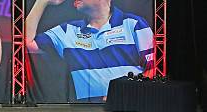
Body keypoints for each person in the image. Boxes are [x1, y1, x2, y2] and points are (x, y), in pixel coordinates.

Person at [25, 0, 154, 102]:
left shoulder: (134, 24)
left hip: (129, 110)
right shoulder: (68, 30)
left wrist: (123, 96)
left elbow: (153, 70)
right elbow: (26, 40)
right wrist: (42, 1)